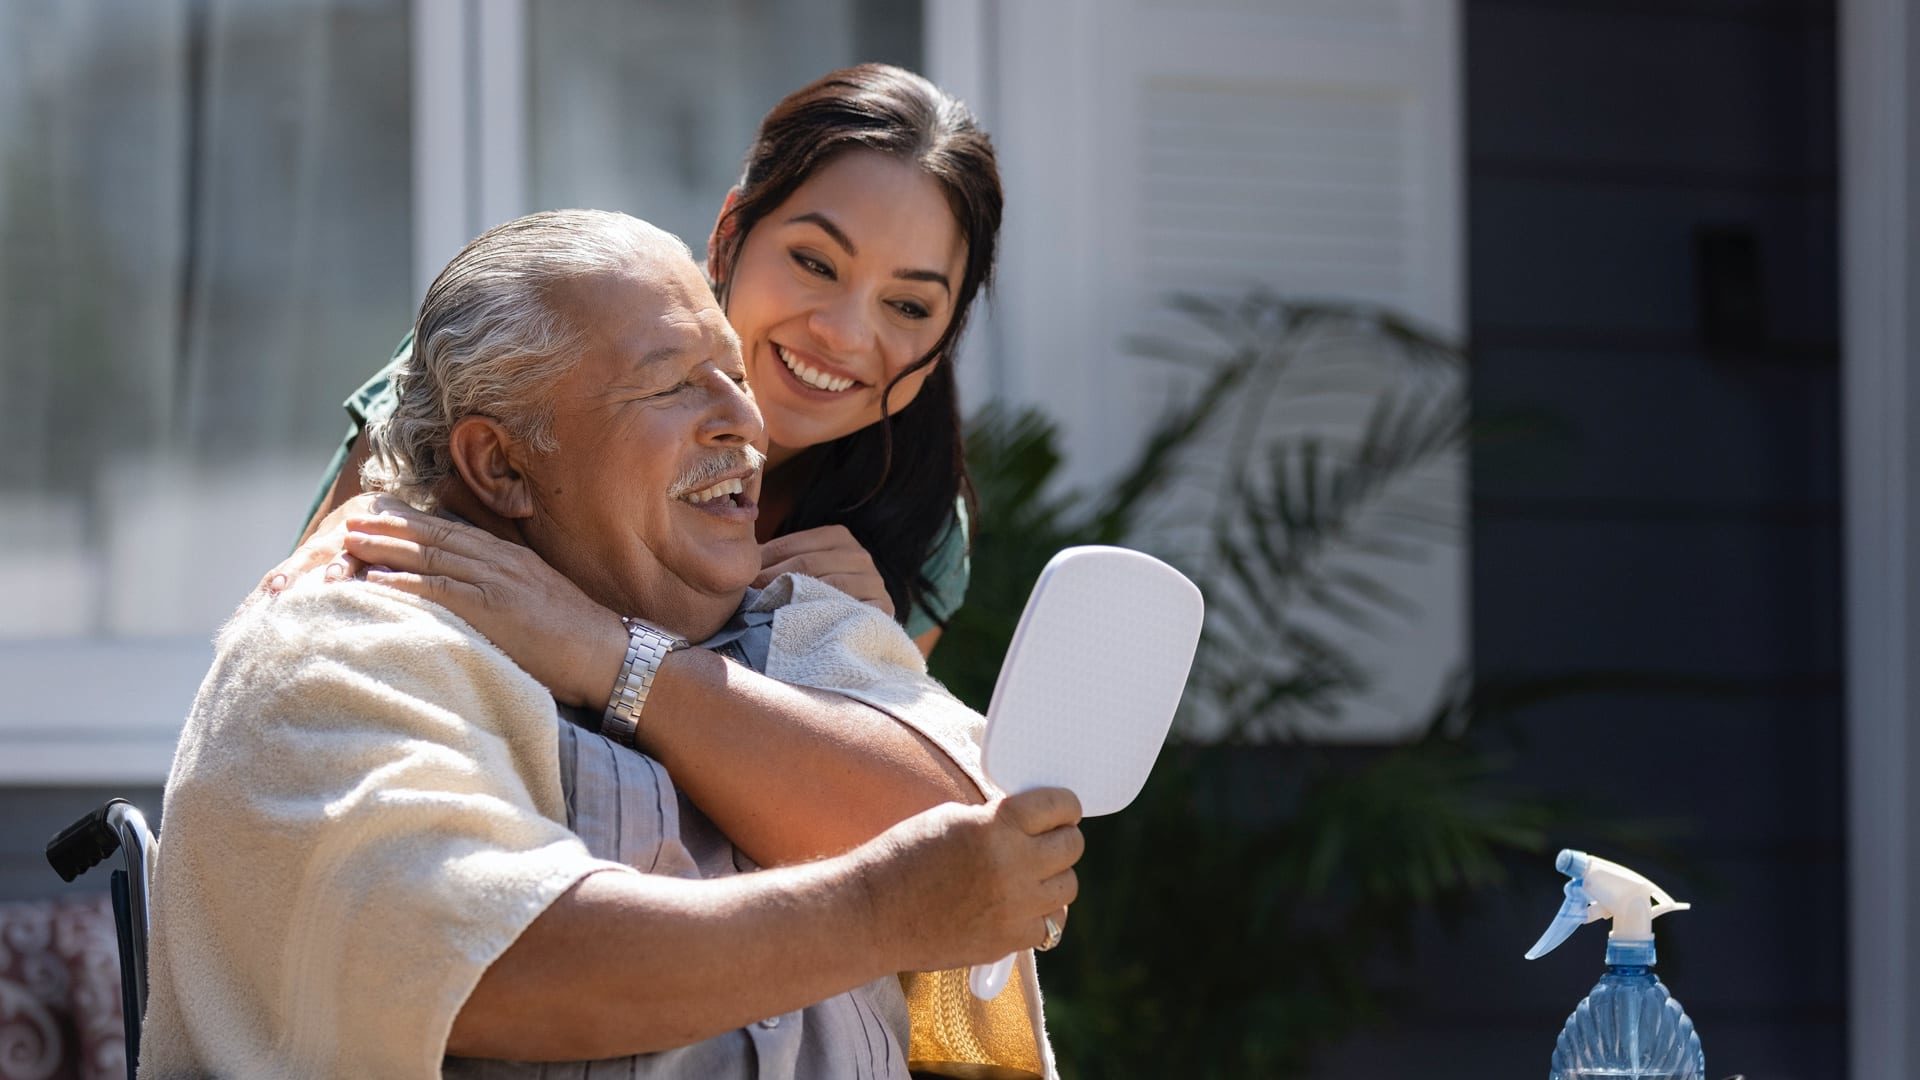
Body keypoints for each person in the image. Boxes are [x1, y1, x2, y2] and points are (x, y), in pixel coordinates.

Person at [144, 210, 1074, 1079]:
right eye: (672, 385)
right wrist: (872, 914)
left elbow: (978, 853)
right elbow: (495, 967)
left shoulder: (802, 613)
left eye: (735, 378)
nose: (745, 427)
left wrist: (624, 662)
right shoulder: (343, 639)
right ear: (501, 464)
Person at [294, 62, 992, 660]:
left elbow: (862, 794)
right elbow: (308, 625)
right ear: (728, 236)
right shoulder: (522, 343)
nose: (843, 334)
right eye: (815, 263)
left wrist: (869, 656)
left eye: (909, 306)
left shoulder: (916, 525)